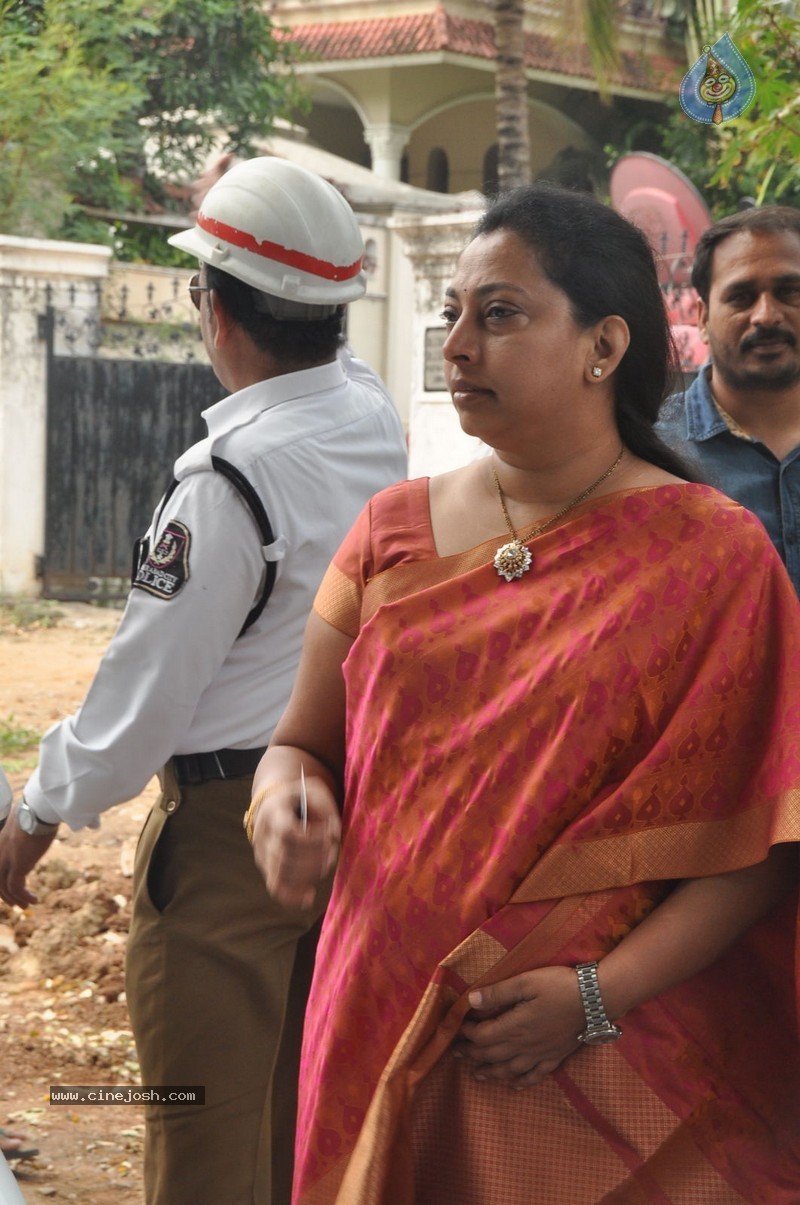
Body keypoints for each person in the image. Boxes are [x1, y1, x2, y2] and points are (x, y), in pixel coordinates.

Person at [247, 184, 800, 1203]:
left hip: (577, 1051)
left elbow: (760, 841)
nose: (457, 344)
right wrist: (284, 799)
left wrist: (593, 994)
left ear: (602, 347)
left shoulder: (710, 557)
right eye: (451, 313)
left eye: (498, 314)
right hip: (373, 1005)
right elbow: (298, 744)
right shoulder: (389, 532)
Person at [0, 157, 407, 1205]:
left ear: (213, 307)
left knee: (206, 1149)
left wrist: (36, 813)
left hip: (228, 839)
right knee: (296, 1130)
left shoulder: (227, 482)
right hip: (339, 812)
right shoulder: (371, 418)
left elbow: (145, 697)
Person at [658, 205, 800, 594]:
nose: (767, 316)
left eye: (790, 291)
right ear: (702, 317)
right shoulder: (654, 456)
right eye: (741, 296)